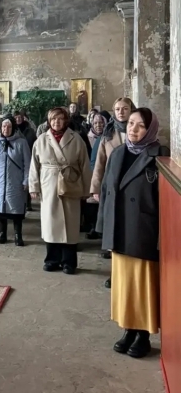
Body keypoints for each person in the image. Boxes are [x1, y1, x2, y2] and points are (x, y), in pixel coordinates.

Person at [100, 108, 168, 359]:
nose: (133, 129)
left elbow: (165, 201)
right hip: (119, 228)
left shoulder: (159, 155)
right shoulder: (118, 153)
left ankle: (143, 335)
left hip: (143, 230)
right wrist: (104, 226)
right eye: (130, 123)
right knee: (124, 285)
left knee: (142, 284)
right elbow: (106, 190)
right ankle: (128, 329)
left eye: (140, 125)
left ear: (150, 129)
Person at [29, 107, 92, 274]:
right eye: (53, 119)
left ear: (65, 120)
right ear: (49, 121)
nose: (56, 122)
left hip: (71, 183)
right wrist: (34, 186)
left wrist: (87, 189)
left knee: (70, 224)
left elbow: (85, 165)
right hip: (49, 184)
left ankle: (69, 262)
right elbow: (34, 165)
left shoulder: (76, 138)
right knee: (51, 224)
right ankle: (52, 259)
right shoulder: (41, 140)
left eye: (60, 119)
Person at [90, 97, 134, 283]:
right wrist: (95, 188)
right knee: (113, 232)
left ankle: (130, 274)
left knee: (130, 232)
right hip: (112, 188)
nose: (121, 112)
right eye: (117, 109)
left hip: (132, 188)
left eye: (125, 108)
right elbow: (100, 163)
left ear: (131, 110)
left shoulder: (138, 130)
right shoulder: (108, 133)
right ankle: (114, 274)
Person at [0, 115, 31, 246]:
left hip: (15, 182)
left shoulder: (21, 143)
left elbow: (28, 164)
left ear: (13, 128)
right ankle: (2, 234)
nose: (6, 129)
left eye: (9, 126)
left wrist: (26, 180)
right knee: (1, 210)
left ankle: (18, 235)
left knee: (16, 211)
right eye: (4, 126)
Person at [83, 112, 106, 238]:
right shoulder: (87, 137)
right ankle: (92, 227)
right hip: (89, 172)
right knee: (91, 202)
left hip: (102, 172)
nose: (98, 125)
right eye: (96, 123)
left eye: (101, 122)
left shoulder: (107, 137)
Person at [15, 109, 37, 212]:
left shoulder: (30, 130)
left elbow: (34, 143)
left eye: (20, 117)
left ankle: (28, 202)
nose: (18, 119)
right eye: (16, 117)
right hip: (16, 159)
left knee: (28, 180)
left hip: (29, 157)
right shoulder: (12, 130)